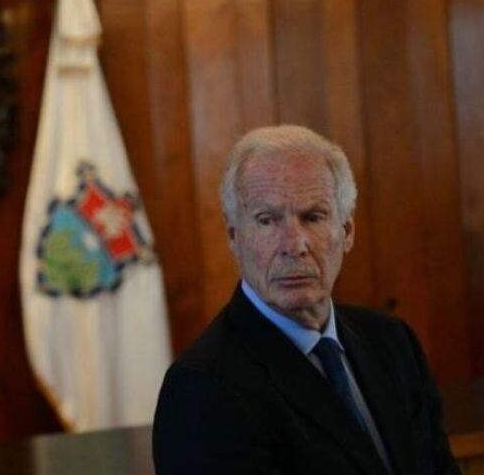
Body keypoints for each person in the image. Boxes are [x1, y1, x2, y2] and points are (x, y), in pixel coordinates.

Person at [152, 125, 460, 475]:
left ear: (347, 231)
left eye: (313, 217)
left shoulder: (393, 342)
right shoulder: (202, 387)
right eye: (267, 221)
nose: (294, 244)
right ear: (234, 237)